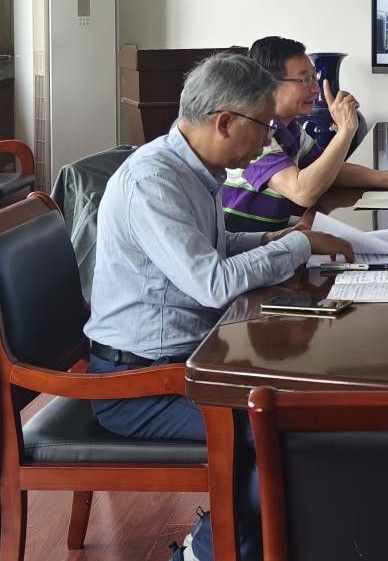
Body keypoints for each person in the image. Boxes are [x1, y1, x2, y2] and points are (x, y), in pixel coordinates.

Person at [84, 52, 355, 561]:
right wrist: (297, 244)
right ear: (225, 122)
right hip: (139, 385)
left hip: (188, 362)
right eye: (264, 127)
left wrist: (280, 238)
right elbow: (212, 283)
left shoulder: (195, 169)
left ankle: (250, 544)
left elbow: (216, 248)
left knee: (299, 410)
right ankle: (204, 553)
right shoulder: (153, 181)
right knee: (280, 434)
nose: (268, 142)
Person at [221, 36, 388, 233]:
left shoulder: (292, 128)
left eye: (314, 77)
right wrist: (345, 131)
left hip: (273, 238)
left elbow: (329, 169)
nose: (315, 89)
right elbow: (303, 192)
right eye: (304, 80)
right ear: (268, 85)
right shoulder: (253, 133)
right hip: (242, 246)